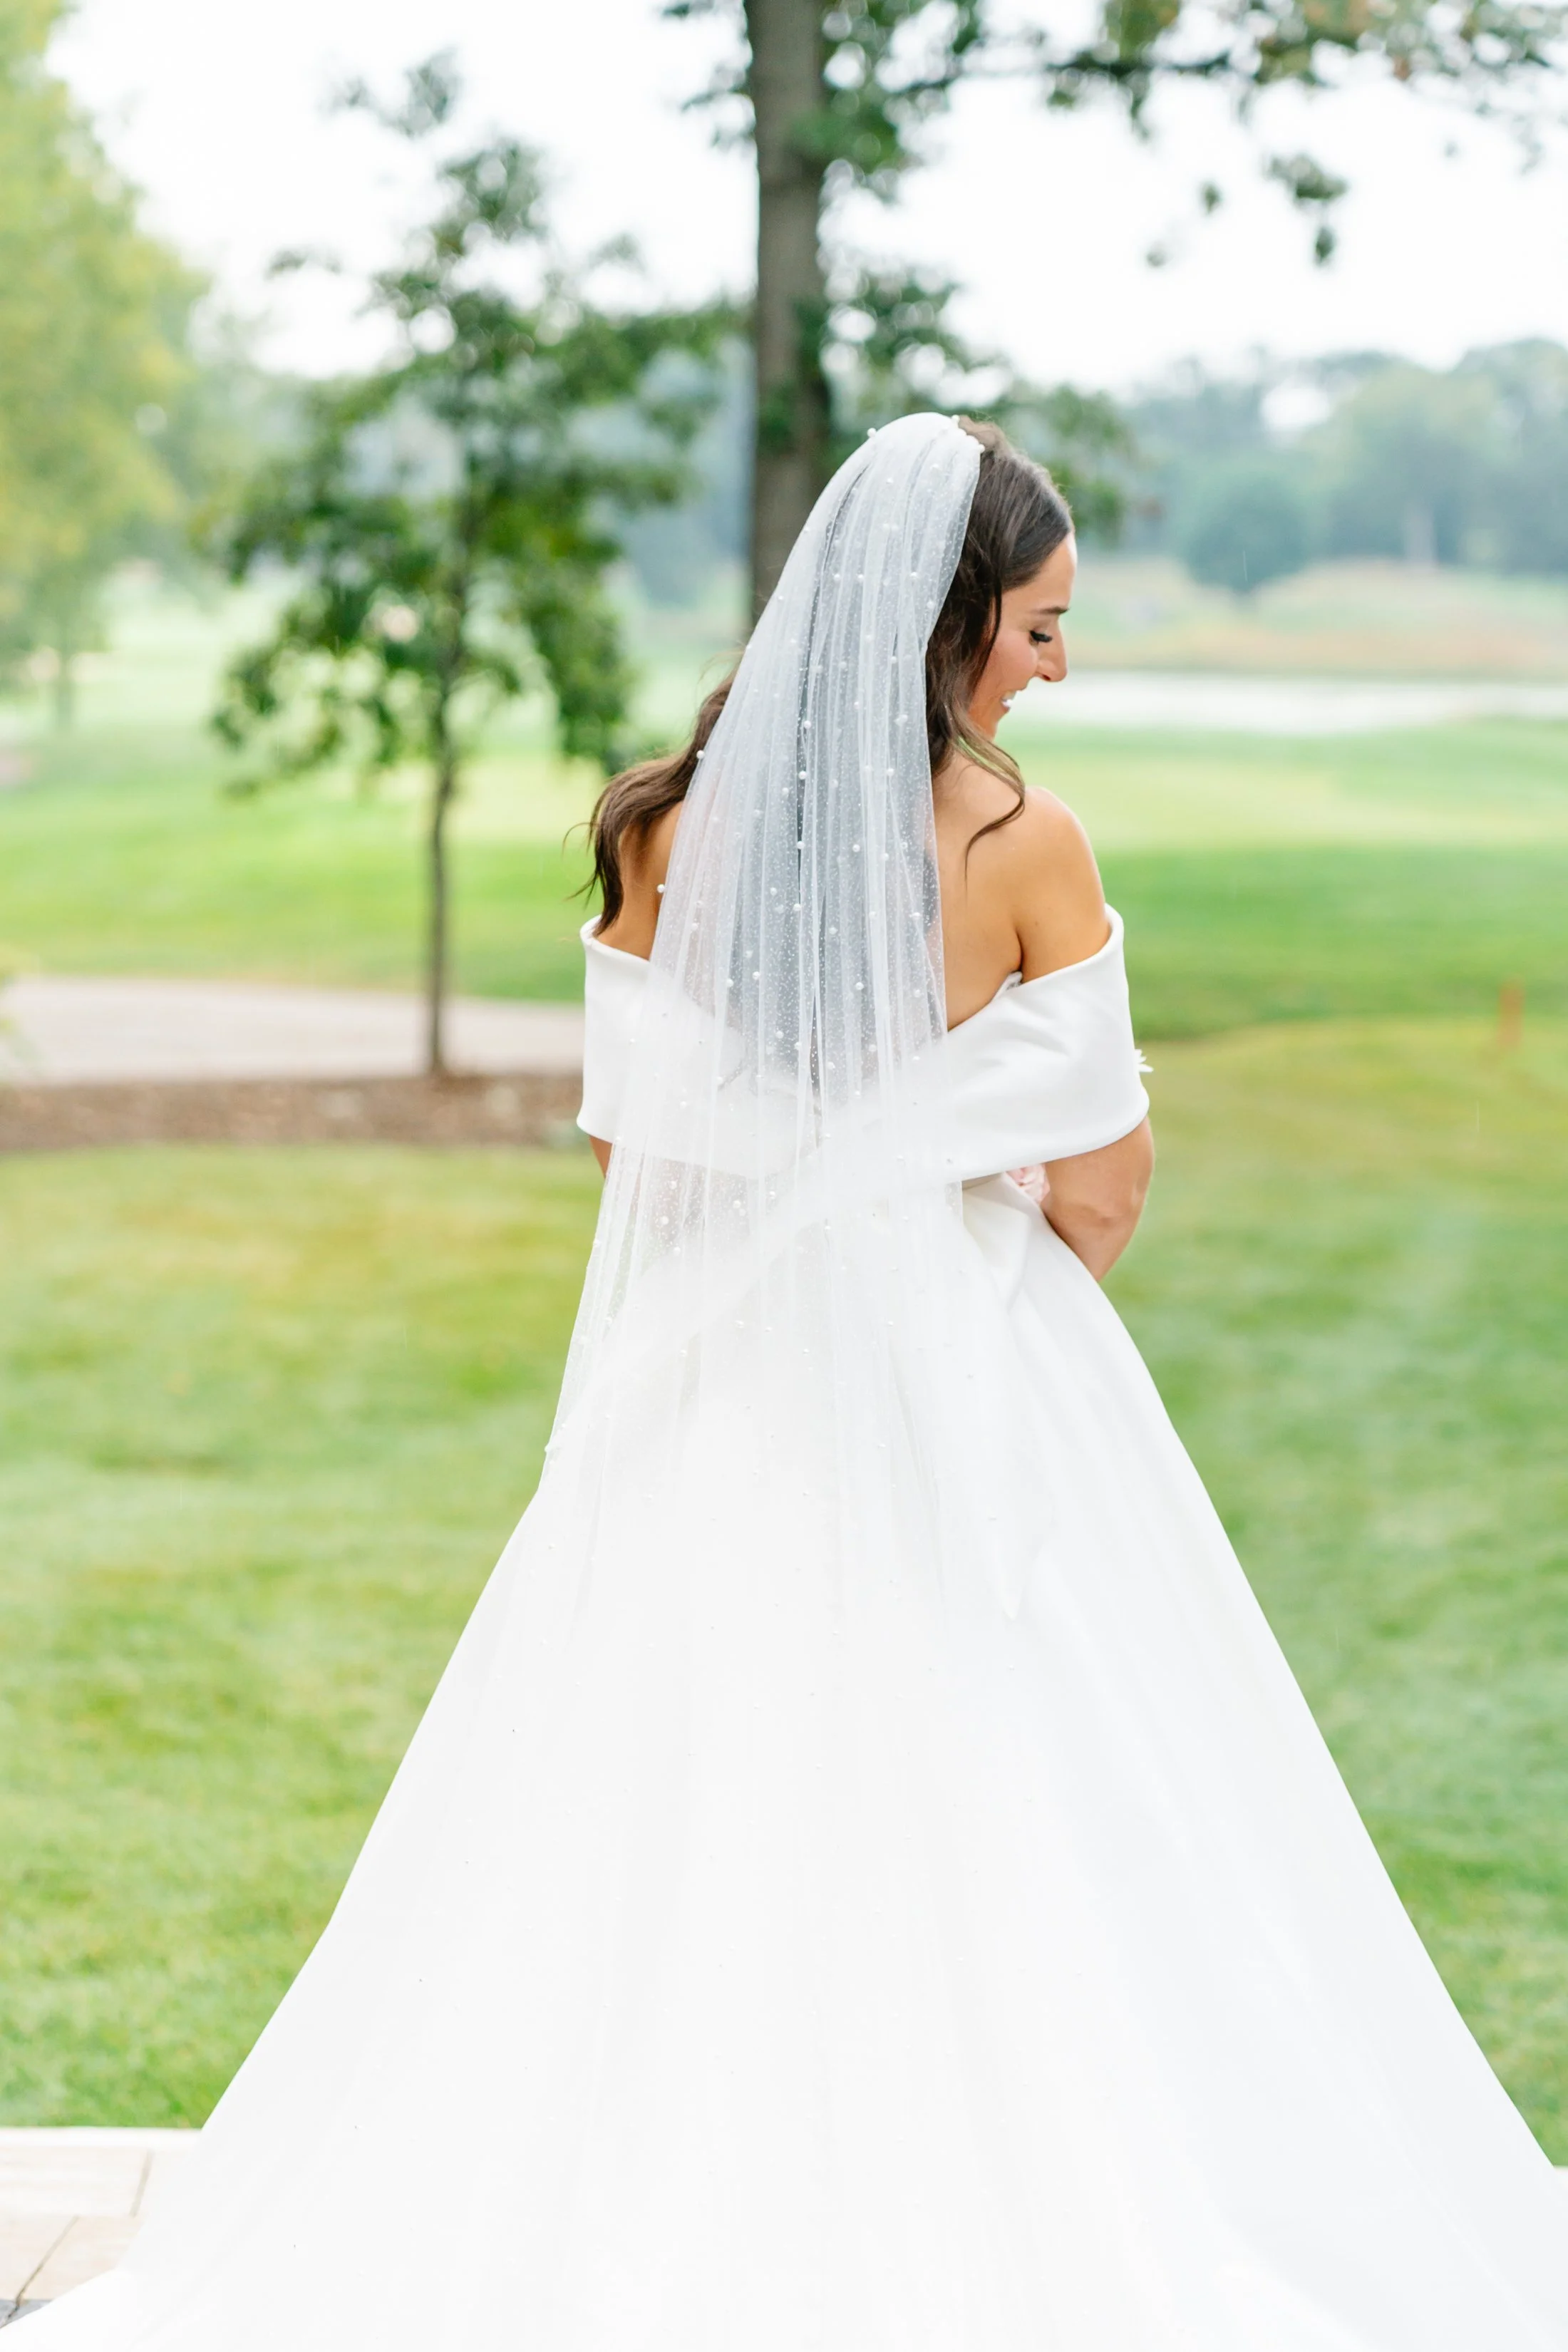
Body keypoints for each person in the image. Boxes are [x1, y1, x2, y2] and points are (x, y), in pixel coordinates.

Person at [21, 413, 1565, 2350]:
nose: (1056, 666)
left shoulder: (671, 823)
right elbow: (1102, 1183)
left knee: (668, 1775)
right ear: (943, 621)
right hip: (976, 1368)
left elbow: (633, 1152)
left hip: (725, 1373)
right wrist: (965, 1225)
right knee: (1031, 1775)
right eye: (1041, 624)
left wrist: (814, 1197)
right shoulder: (1021, 840)